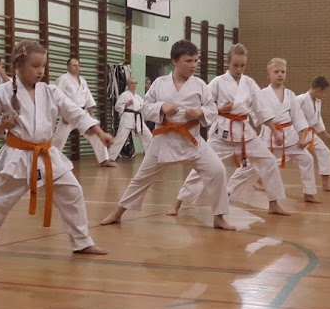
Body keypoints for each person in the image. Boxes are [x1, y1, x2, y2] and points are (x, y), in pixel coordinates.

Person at [0, 41, 113, 255]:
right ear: (18, 65)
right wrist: (1, 125)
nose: (40, 71)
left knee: (72, 192)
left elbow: (75, 113)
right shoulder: (1, 92)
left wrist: (99, 132)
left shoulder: (51, 91)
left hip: (46, 154)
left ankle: (81, 241)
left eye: (43, 66)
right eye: (35, 66)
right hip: (17, 155)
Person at [101, 40, 235, 231]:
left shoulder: (200, 85)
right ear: (175, 61)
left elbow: (212, 109)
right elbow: (145, 107)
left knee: (217, 170)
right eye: (188, 61)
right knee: (141, 179)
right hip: (163, 141)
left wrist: (200, 112)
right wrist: (162, 108)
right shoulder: (160, 83)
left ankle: (219, 217)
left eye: (196, 60)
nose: (193, 65)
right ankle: (117, 213)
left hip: (192, 141)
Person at [171, 43, 290, 216]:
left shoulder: (249, 83)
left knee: (269, 161)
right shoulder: (218, 82)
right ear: (228, 63)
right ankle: (178, 203)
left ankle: (274, 203)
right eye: (236, 65)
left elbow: (261, 108)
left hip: (244, 133)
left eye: (243, 65)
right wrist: (220, 109)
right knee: (202, 167)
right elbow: (203, 105)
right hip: (222, 133)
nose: (239, 69)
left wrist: (274, 130)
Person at [257, 58, 319, 203]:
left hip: (289, 137)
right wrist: (273, 130)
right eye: (276, 72)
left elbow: (298, 117)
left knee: (307, 159)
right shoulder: (262, 94)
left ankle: (309, 193)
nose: (280, 74)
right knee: (252, 165)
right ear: (268, 75)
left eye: (283, 72)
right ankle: (229, 190)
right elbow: (258, 115)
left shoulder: (290, 94)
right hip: (270, 137)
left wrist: (302, 137)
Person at [52, 57, 114, 167]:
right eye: (74, 65)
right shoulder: (63, 79)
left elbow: (88, 98)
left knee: (95, 134)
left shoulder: (83, 81)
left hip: (82, 113)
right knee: (59, 139)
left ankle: (104, 160)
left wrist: (91, 114)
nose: (77, 67)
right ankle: (50, 160)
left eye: (78, 65)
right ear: (68, 67)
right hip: (68, 113)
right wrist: (63, 115)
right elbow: (58, 98)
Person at [295, 76, 330, 193]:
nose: (325, 95)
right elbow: (291, 117)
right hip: (296, 134)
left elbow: (318, 120)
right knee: (282, 157)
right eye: (325, 92)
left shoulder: (317, 101)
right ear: (319, 89)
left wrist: (326, 135)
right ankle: (261, 181)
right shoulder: (300, 99)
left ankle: (325, 184)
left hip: (309, 133)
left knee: (325, 152)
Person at [107, 77, 152, 160]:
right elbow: (117, 107)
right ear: (128, 85)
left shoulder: (138, 97)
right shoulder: (124, 95)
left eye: (135, 83)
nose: (134, 85)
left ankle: (151, 156)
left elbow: (143, 107)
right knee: (120, 138)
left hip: (137, 119)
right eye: (132, 83)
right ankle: (109, 157)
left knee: (148, 136)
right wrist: (126, 104)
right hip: (127, 118)